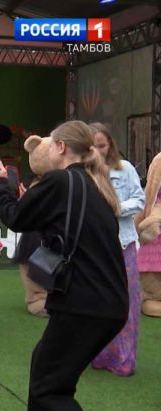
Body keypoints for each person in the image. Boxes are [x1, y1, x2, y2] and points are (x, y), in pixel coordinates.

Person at [0, 120, 128, 411]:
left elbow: (16, 217)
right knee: (45, 371)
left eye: (51, 144)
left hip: (84, 304)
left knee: (50, 390)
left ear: (61, 147)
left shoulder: (61, 182)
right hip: (106, 304)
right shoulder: (95, 185)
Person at [90, 122, 144, 377]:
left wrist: (115, 207)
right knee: (98, 301)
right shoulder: (83, 173)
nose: (98, 151)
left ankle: (124, 359)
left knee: (127, 302)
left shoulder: (125, 169)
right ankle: (99, 356)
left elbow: (140, 199)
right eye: (93, 147)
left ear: (110, 144)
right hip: (94, 245)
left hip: (123, 243)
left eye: (102, 145)